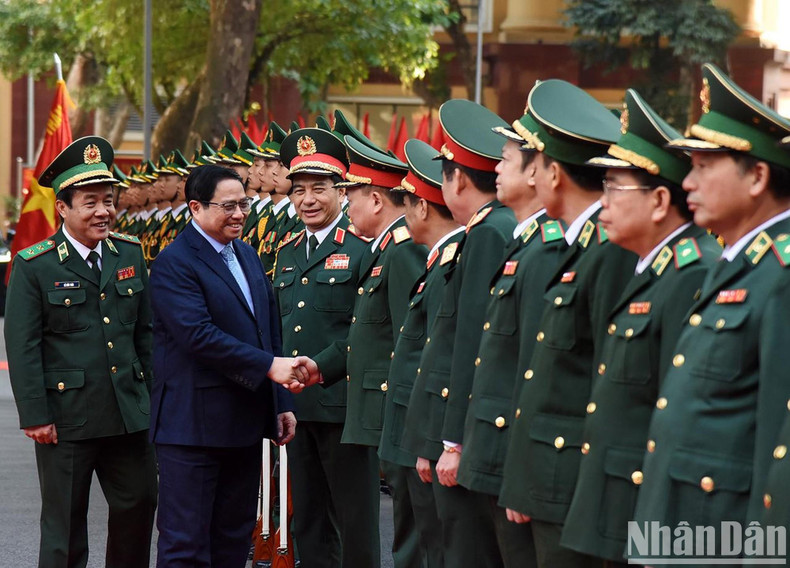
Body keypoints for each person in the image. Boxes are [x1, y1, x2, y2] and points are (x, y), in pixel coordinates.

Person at [632, 63, 790, 558]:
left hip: (724, 538)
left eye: (703, 167)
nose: (688, 182)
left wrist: (766, 554)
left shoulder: (781, 274)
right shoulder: (737, 263)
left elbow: (778, 440)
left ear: (757, 176)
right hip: (682, 526)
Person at [559, 89, 720, 566]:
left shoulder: (689, 273)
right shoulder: (651, 268)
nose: (602, 202)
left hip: (642, 507)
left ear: (660, 201)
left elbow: (678, 416)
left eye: (614, 188)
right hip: (615, 497)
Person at [498, 79, 637, 568]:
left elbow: (608, 379)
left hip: (573, 480)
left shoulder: (607, 249)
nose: (529, 177)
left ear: (553, 174)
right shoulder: (581, 243)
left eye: (533, 165)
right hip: (549, 473)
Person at [5, 135, 158, 568]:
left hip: (128, 413)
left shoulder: (129, 254)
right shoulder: (36, 265)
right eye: (90, 203)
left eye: (108, 201)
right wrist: (35, 415)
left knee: (140, 504)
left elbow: (145, 335)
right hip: (67, 417)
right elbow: (24, 345)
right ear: (63, 208)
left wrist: (153, 400)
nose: (103, 211)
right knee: (65, 525)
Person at [149, 164, 312, 567]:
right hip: (193, 429)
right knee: (186, 545)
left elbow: (267, 331)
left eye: (244, 204)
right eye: (228, 206)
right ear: (195, 208)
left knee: (232, 540)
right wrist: (269, 367)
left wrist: (280, 404)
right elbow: (197, 335)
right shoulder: (175, 262)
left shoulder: (247, 255)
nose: (239, 214)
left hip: (243, 424)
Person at [400, 99, 517, 568]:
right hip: (459, 430)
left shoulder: (488, 232)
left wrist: (452, 441)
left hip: (463, 435)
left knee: (464, 551)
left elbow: (471, 341)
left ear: (459, 181)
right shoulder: (486, 228)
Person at [456, 108, 567, 568]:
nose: (495, 169)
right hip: (499, 446)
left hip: (517, 454)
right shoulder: (525, 242)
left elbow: (533, 367)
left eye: (505, 159)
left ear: (538, 172)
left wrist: (520, 471)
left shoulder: (546, 249)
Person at [273, 126, 379, 568]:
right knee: (309, 521)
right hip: (297, 409)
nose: (308, 200)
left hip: (344, 407)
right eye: (299, 191)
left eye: (319, 189)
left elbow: (369, 331)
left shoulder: (362, 249)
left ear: (341, 192)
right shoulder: (286, 251)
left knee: (356, 522)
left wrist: (319, 368)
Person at [341, 134, 426, 568]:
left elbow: (411, 340)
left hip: (399, 412)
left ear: (376, 199)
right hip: (383, 410)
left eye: (350, 196)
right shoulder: (384, 250)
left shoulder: (403, 250)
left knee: (412, 535)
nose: (346, 207)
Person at [379, 138, 465, 568]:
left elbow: (443, 358)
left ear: (423, 208)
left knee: (433, 546)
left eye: (407, 204)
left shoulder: (450, 264)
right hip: (419, 431)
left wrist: (435, 442)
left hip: (432, 436)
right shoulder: (437, 261)